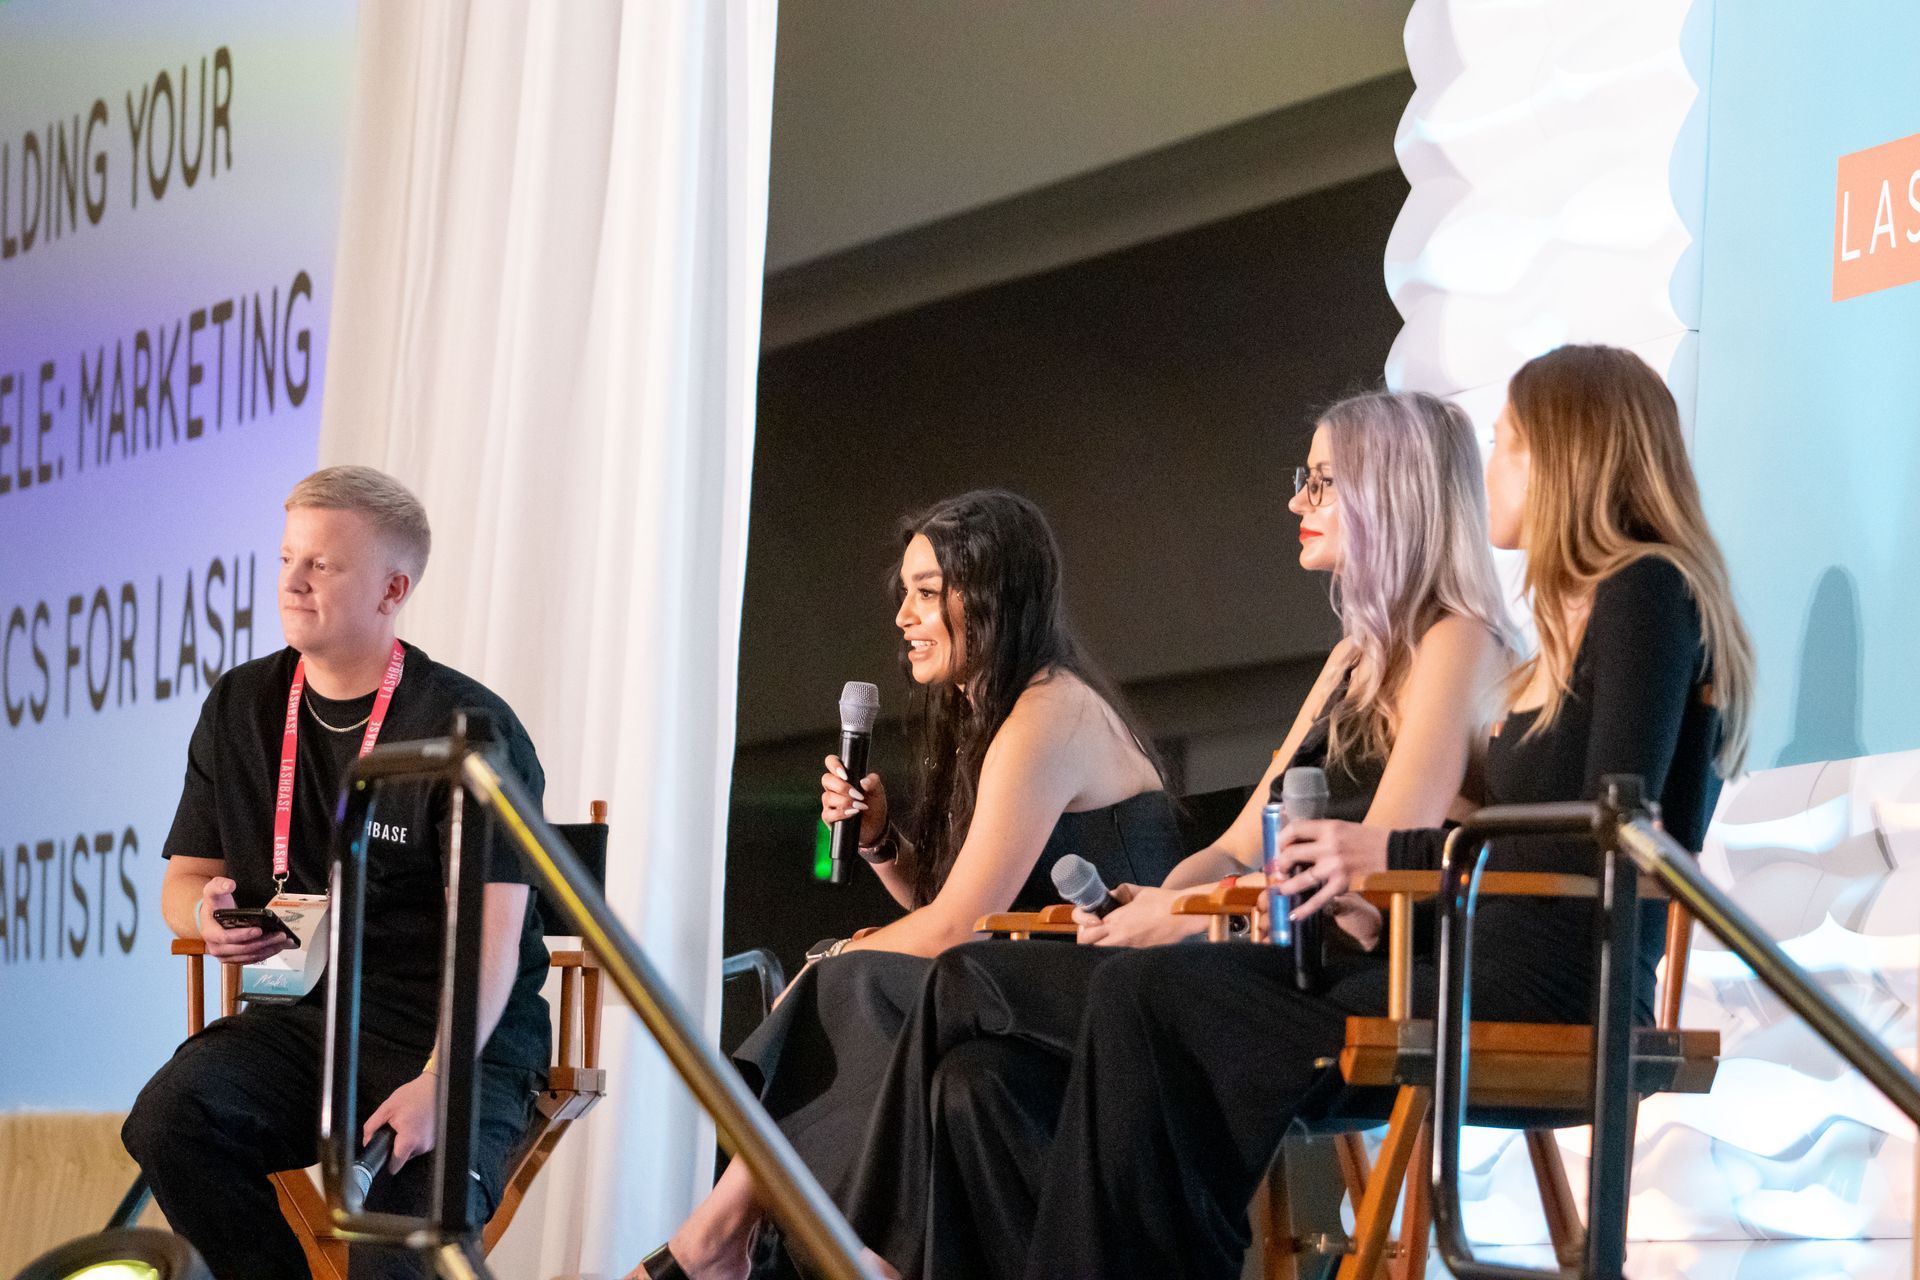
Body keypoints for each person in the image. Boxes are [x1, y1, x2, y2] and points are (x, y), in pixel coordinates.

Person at [1016, 344, 1756, 1279]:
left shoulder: (1645, 590)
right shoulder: (1576, 625)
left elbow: (1613, 833)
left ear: (1570, 456)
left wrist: (1391, 852)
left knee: (1164, 1007)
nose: (1493, 469)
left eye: (1510, 444)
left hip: (1559, 983)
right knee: (1147, 1008)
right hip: (1477, 960)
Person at [840, 389, 1517, 1280]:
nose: (1296, 502)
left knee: (966, 974)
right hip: (1263, 952)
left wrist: (1194, 921)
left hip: (1341, 975)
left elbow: (1377, 858)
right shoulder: (1354, 658)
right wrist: (1168, 898)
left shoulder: (1457, 641)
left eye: (1320, 483)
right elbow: (1239, 844)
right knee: (978, 1085)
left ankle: (851, 1247)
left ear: (1392, 493)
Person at [639, 490, 1185, 1280]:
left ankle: (720, 1236)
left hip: (1110, 993)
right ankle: (824, 1252)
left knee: (842, 970)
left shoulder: (1050, 713)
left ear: (992, 598)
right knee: (944, 1070)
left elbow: (960, 927)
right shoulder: (997, 715)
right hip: (1022, 992)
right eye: (906, 593)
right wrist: (880, 843)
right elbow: (961, 917)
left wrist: (831, 967)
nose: (903, 616)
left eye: (928, 593)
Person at [121, 467, 553, 1280]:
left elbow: (492, 939)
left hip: (452, 1038)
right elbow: (184, 884)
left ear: (393, 588)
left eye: (321, 565)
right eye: (287, 557)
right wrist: (202, 917)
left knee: (395, 1252)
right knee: (170, 1120)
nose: (291, 581)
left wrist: (440, 1081)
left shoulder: (467, 728)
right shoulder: (240, 705)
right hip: (307, 1024)